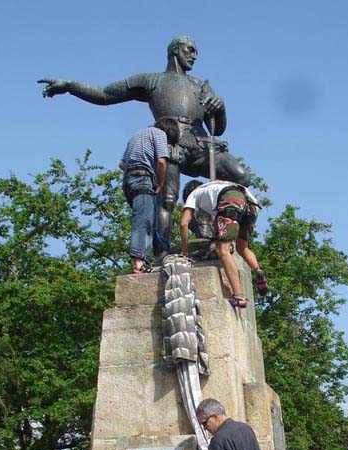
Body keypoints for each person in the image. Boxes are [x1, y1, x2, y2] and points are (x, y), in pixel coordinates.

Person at [38, 35, 250, 253]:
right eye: (190, 50)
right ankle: (163, 253)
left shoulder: (200, 85)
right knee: (167, 199)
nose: (194, 56)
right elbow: (105, 94)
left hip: (199, 145)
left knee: (241, 176)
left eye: (196, 52)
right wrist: (71, 86)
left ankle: (223, 236)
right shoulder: (151, 80)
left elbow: (219, 127)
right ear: (175, 50)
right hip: (169, 142)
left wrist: (220, 108)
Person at [180, 180, 268, 308]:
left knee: (223, 250)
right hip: (250, 204)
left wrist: (184, 250)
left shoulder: (194, 194)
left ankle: (238, 295)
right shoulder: (213, 187)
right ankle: (258, 271)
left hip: (231, 200)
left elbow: (183, 223)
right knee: (242, 247)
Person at [119, 120, 179, 272]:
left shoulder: (136, 136)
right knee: (143, 221)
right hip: (143, 178)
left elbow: (122, 164)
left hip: (128, 181)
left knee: (147, 220)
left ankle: (143, 260)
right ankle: (139, 262)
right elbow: (161, 161)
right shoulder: (159, 134)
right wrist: (159, 182)